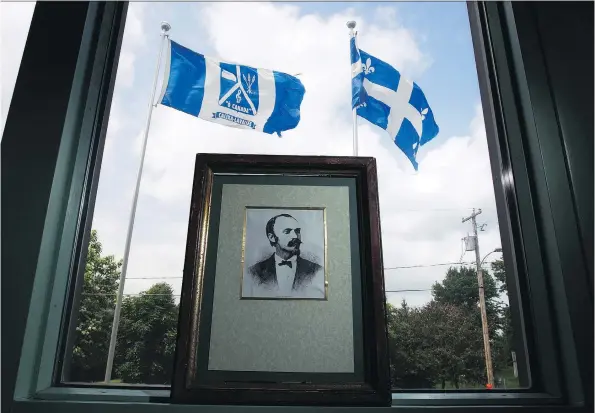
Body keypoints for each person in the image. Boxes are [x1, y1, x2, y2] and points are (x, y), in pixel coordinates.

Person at [246, 213, 324, 298]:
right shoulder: (254, 272)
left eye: (297, 231)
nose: (295, 236)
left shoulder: (316, 271)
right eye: (287, 231)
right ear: (272, 237)